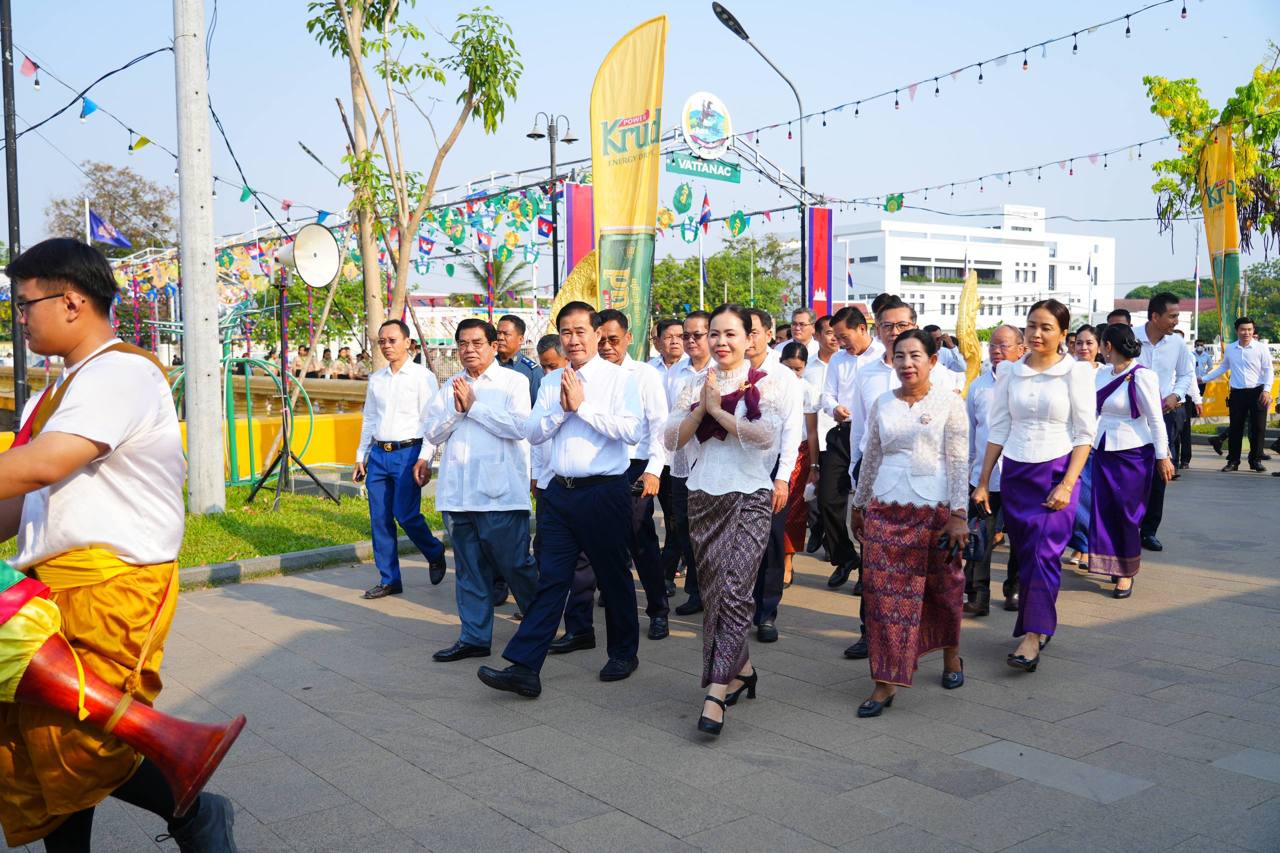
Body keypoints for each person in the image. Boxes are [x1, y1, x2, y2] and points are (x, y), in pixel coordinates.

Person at [0, 239, 236, 850]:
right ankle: (192, 810)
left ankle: (194, 813)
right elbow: (22, 502)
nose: (19, 317)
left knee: (78, 742)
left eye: (24, 304)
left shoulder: (120, 372)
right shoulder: (54, 392)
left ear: (71, 301)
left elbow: (44, 464)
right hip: (50, 590)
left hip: (112, 586)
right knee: (44, 745)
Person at [477, 302, 643, 698]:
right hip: (560, 494)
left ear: (597, 333)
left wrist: (582, 407)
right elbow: (533, 432)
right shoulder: (552, 382)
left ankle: (623, 652)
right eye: (566, 332)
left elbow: (632, 432)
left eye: (580, 331)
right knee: (551, 579)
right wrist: (563, 412)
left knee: (613, 576)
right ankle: (524, 667)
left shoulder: (619, 380)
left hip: (604, 492)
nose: (573, 340)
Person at [665, 303, 789, 735]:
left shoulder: (766, 383)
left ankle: (716, 691)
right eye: (713, 334)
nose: (720, 342)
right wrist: (701, 409)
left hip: (750, 496)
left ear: (750, 337)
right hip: (702, 496)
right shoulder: (693, 383)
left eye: (730, 333)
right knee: (716, 593)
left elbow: (765, 437)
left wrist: (719, 412)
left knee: (735, 591)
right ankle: (744, 670)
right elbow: (671, 439)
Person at [974, 299, 1096, 673]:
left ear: (1063, 333)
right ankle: (1039, 624)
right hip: (1016, 473)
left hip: (1057, 472)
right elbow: (999, 427)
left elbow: (1084, 434)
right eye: (1031, 325)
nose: (1037, 333)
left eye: (1046, 327)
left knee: (1044, 554)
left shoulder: (1076, 372)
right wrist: (983, 481)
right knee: (1027, 555)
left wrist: (1068, 484)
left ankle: (1031, 636)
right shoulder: (1010, 372)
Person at [851, 330, 968, 717]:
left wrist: (959, 514)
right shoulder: (883, 402)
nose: (906, 363)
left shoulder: (950, 402)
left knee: (944, 589)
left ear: (933, 361)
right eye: (899, 356)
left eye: (915, 355)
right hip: (885, 507)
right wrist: (859, 504)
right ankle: (884, 681)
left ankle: (951, 654)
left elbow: (958, 461)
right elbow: (871, 456)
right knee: (882, 598)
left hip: (934, 511)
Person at [423, 318, 539, 662]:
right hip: (457, 495)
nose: (469, 350)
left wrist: (475, 407)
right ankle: (474, 637)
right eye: (463, 344)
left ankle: (540, 624)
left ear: (493, 346)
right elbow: (432, 432)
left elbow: (519, 427)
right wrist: (458, 412)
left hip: (500, 494)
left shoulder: (513, 382)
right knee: (469, 569)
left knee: (515, 564)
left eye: (477, 343)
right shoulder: (451, 386)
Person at [555, 309, 671, 643]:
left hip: (636, 466)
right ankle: (580, 627)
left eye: (613, 340)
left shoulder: (642, 375)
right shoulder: (578, 375)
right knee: (583, 552)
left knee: (639, 540)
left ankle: (657, 610)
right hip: (593, 474)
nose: (607, 346)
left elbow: (658, 425)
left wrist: (653, 470)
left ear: (629, 338)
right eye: (602, 339)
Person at [354, 320, 447, 599]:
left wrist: (425, 458)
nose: (386, 346)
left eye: (392, 340)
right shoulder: (377, 379)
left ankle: (434, 550)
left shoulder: (422, 377)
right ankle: (389, 579)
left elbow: (430, 420)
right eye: (382, 341)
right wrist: (361, 455)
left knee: (405, 514)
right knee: (379, 518)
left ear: (408, 343)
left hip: (409, 453)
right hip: (379, 454)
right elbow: (370, 418)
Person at [1091, 324, 1174, 599]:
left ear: (1108, 346)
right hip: (1103, 449)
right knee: (1105, 511)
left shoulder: (1142, 376)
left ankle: (1126, 572)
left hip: (1134, 453)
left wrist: (1163, 457)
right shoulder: (1101, 374)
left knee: (1127, 513)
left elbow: (1156, 420)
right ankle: (1111, 562)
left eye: (1100, 344)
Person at [745, 307, 804, 643]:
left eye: (754, 331)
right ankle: (737, 607)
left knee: (769, 542)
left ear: (769, 334)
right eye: (742, 332)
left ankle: (766, 613)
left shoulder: (783, 377)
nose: (748, 339)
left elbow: (792, 430)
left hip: (770, 467)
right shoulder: (726, 371)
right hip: (734, 467)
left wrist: (782, 478)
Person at [819, 306, 883, 591]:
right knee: (827, 499)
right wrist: (834, 407)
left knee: (868, 505)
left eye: (844, 336)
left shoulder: (883, 357)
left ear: (862, 329)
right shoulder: (837, 360)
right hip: (843, 434)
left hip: (872, 438)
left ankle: (867, 570)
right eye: (836, 337)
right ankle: (845, 557)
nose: (840, 342)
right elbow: (826, 395)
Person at [963, 325, 1026, 616]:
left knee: (1020, 538)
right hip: (983, 477)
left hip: (1019, 474)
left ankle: (1015, 588)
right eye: (993, 346)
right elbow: (970, 432)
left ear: (1021, 350)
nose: (997, 351)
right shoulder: (978, 386)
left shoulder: (1027, 384)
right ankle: (978, 594)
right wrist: (970, 473)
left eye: (1004, 346)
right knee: (979, 537)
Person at [1134, 293, 1194, 550]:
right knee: (1132, 474)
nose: (1176, 321)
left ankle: (1148, 531)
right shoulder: (1131, 338)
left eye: (1177, 315)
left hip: (1163, 417)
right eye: (1172, 316)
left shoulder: (1177, 344)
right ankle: (1127, 527)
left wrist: (1176, 395)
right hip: (1133, 418)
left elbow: (1186, 374)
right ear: (1155, 316)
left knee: (1160, 474)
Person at [671, 311, 714, 617]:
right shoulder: (675, 372)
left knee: (710, 531)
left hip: (711, 462)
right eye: (685, 335)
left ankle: (715, 590)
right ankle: (696, 591)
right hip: (680, 463)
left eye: (696, 335)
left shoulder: (722, 370)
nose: (690, 341)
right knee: (685, 529)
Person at [1202, 317, 1273, 473]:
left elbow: (1269, 370)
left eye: (1249, 329)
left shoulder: (1261, 348)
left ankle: (1256, 461)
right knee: (1235, 428)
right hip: (1237, 393)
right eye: (1243, 329)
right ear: (1237, 331)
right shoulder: (1231, 348)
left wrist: (1267, 390)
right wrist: (1204, 378)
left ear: (1253, 330)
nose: (1246, 333)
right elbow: (1224, 367)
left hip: (1258, 392)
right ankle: (1233, 461)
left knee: (1258, 428)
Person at [646, 318, 686, 594]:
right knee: (641, 517)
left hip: (679, 456)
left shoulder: (691, 369)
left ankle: (666, 573)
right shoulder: (647, 371)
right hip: (652, 455)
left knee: (675, 518)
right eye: (669, 336)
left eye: (680, 336)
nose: (675, 341)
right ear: (657, 340)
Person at [778, 342, 820, 587]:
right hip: (772, 451)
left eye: (798, 369)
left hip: (799, 455)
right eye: (788, 368)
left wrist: (814, 466)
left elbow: (812, 432)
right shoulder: (770, 384)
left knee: (794, 511)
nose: (793, 374)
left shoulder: (808, 390)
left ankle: (787, 561)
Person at [1066, 325, 1105, 568]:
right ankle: (1080, 545)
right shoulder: (1065, 370)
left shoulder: (1105, 373)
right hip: (1070, 442)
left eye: (1089, 343)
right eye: (1078, 342)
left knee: (1090, 498)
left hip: (1097, 443)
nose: (1083, 347)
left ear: (1099, 347)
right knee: (1074, 497)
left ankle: (1086, 547)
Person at [803, 314, 839, 553]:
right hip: (812, 435)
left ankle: (829, 542)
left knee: (831, 496)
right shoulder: (807, 367)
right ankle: (817, 529)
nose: (834, 338)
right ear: (816, 336)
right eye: (828, 332)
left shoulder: (847, 363)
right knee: (812, 492)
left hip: (837, 437)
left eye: (837, 333)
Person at [496, 313, 541, 406]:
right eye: (498, 333)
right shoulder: (487, 365)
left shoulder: (532, 372)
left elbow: (536, 407)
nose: (500, 338)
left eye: (506, 334)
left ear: (520, 339)